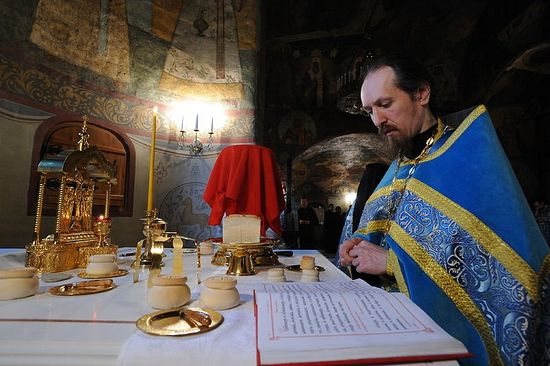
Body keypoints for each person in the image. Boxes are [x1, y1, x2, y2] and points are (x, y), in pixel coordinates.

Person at [338, 55, 549, 366]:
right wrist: (356, 245)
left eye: (385, 104)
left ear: (422, 94)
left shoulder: (468, 155)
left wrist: (395, 264)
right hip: (390, 325)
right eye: (370, 110)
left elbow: (503, 272)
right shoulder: (401, 163)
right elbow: (377, 232)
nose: (377, 120)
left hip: (444, 338)